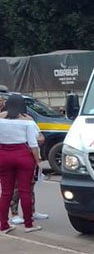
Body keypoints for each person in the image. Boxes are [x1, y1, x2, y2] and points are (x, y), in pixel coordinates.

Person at [0, 93, 48, 224]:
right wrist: (38, 162)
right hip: (25, 156)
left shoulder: (3, 119)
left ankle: (5, 222)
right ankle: (23, 219)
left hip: (5, 156)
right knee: (21, 189)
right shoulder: (27, 120)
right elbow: (35, 141)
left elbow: (40, 136)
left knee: (10, 191)